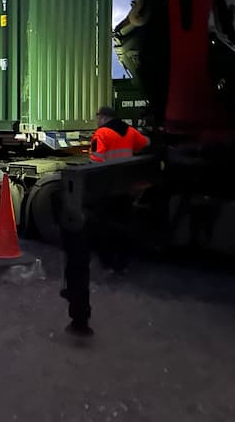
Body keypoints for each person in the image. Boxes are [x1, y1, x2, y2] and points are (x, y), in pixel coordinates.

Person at [61, 105, 150, 337]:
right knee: (124, 226)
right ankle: (122, 263)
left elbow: (95, 161)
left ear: (103, 117)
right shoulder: (129, 131)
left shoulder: (102, 134)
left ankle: (108, 262)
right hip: (125, 190)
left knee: (105, 230)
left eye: (97, 117)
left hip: (106, 191)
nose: (96, 121)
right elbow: (144, 144)